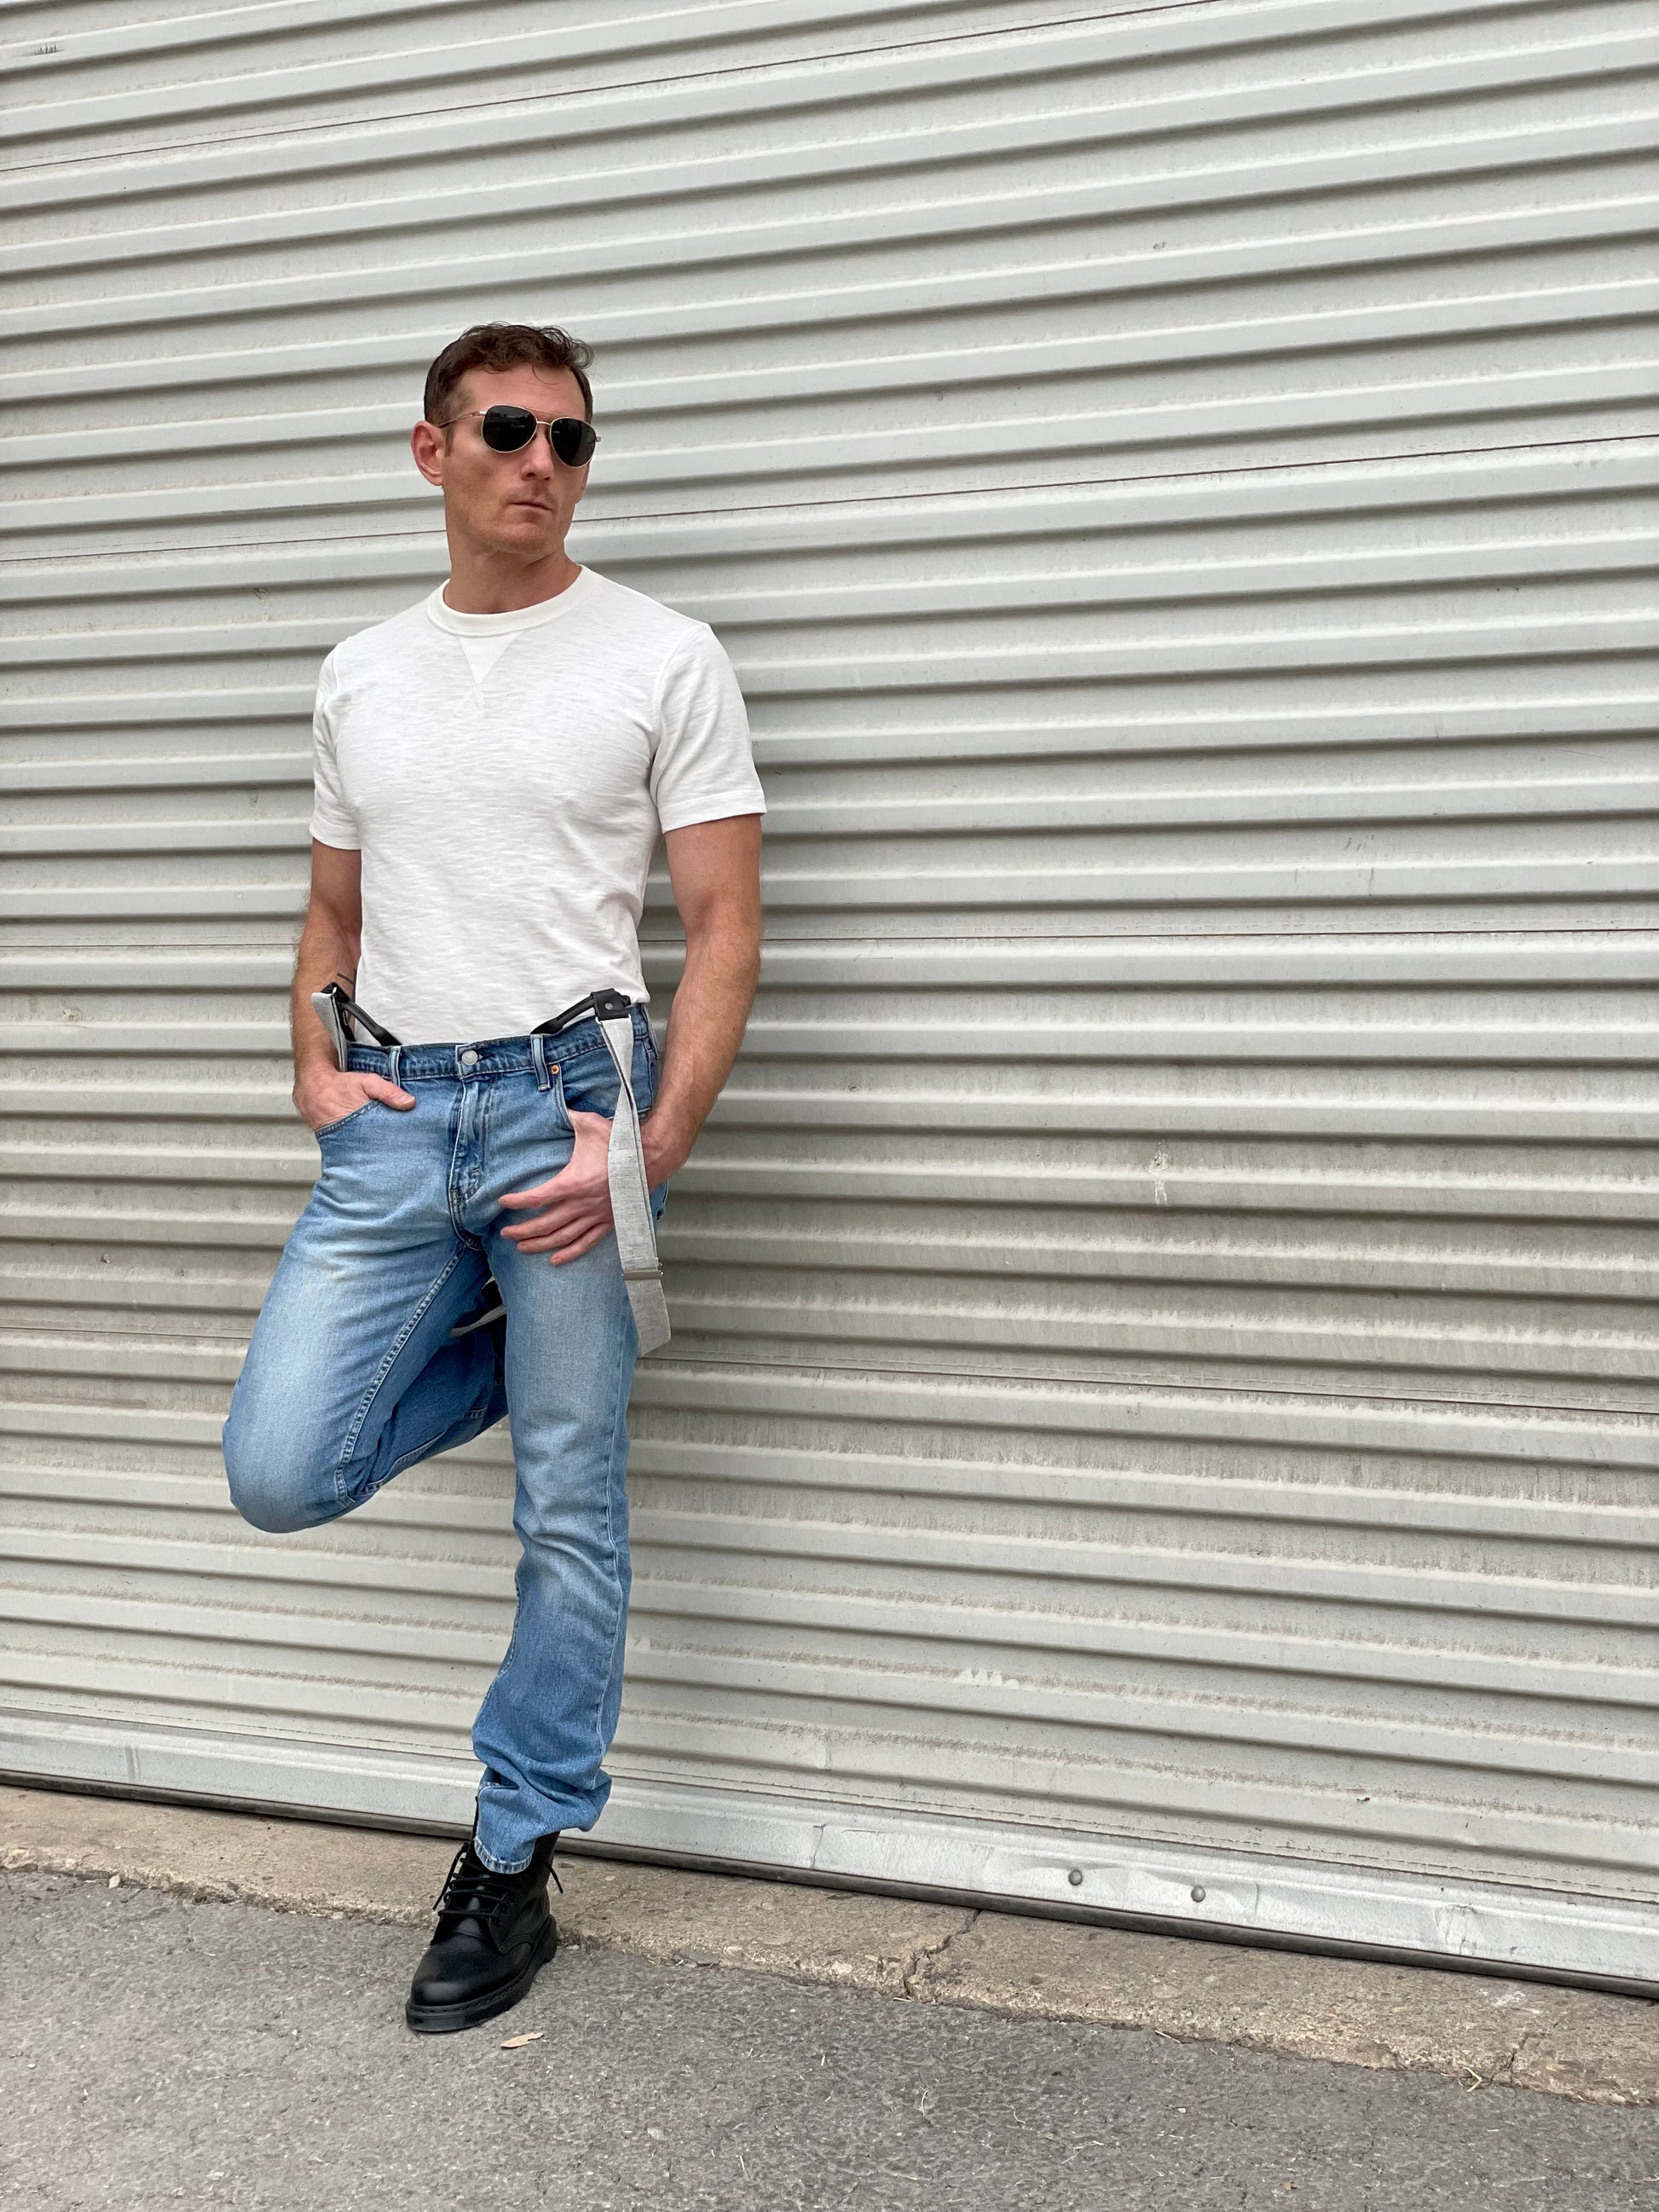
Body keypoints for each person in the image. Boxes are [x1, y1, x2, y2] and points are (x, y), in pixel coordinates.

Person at [221, 321, 765, 2036]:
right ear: (431, 450)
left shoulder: (662, 653)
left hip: (566, 1106)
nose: (544, 461)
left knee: (568, 1500)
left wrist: (648, 1142)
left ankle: (514, 1853)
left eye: (575, 440)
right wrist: (313, 1054)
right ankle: (519, 1338)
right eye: (512, 430)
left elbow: (728, 925)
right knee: (280, 1467)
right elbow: (333, 912)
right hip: (393, 1125)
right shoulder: (363, 667)